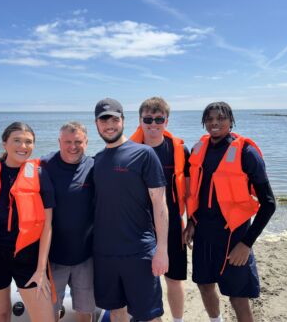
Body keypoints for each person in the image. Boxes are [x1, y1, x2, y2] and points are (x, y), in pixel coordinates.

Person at [183, 102, 276, 322]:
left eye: (221, 118)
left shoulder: (246, 152)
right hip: (204, 233)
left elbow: (269, 204)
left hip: (234, 236)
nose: (214, 123)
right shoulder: (198, 150)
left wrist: (246, 244)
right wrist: (191, 222)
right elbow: (195, 193)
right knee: (204, 285)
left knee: (238, 297)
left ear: (231, 121)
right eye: (210, 118)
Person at [0, 122, 56, 322]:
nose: (23, 146)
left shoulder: (40, 176)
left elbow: (47, 226)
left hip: (29, 257)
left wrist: (41, 270)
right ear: (4, 143)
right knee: (1, 315)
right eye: (17, 140)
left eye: (28, 142)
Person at [92, 98, 169, 322]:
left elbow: (159, 204)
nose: (109, 125)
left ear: (123, 121)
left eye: (114, 119)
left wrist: (161, 250)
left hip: (139, 252)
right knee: (116, 312)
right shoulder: (96, 160)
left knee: (149, 316)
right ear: (96, 124)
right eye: (103, 120)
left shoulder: (143, 154)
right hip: (104, 254)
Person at [130, 97, 189, 322]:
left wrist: (191, 221)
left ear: (166, 121)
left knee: (174, 279)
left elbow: (192, 192)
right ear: (139, 120)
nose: (153, 124)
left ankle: (177, 320)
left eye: (158, 119)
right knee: (142, 279)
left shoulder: (180, 150)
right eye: (148, 119)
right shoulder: (130, 150)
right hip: (139, 225)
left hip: (173, 223)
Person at [40, 122, 96, 322]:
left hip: (85, 257)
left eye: (78, 141)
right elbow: (12, 174)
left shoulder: (93, 165)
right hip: (53, 257)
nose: (73, 146)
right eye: (68, 142)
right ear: (59, 142)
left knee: (85, 310)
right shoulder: (44, 165)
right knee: (50, 311)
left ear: (86, 142)